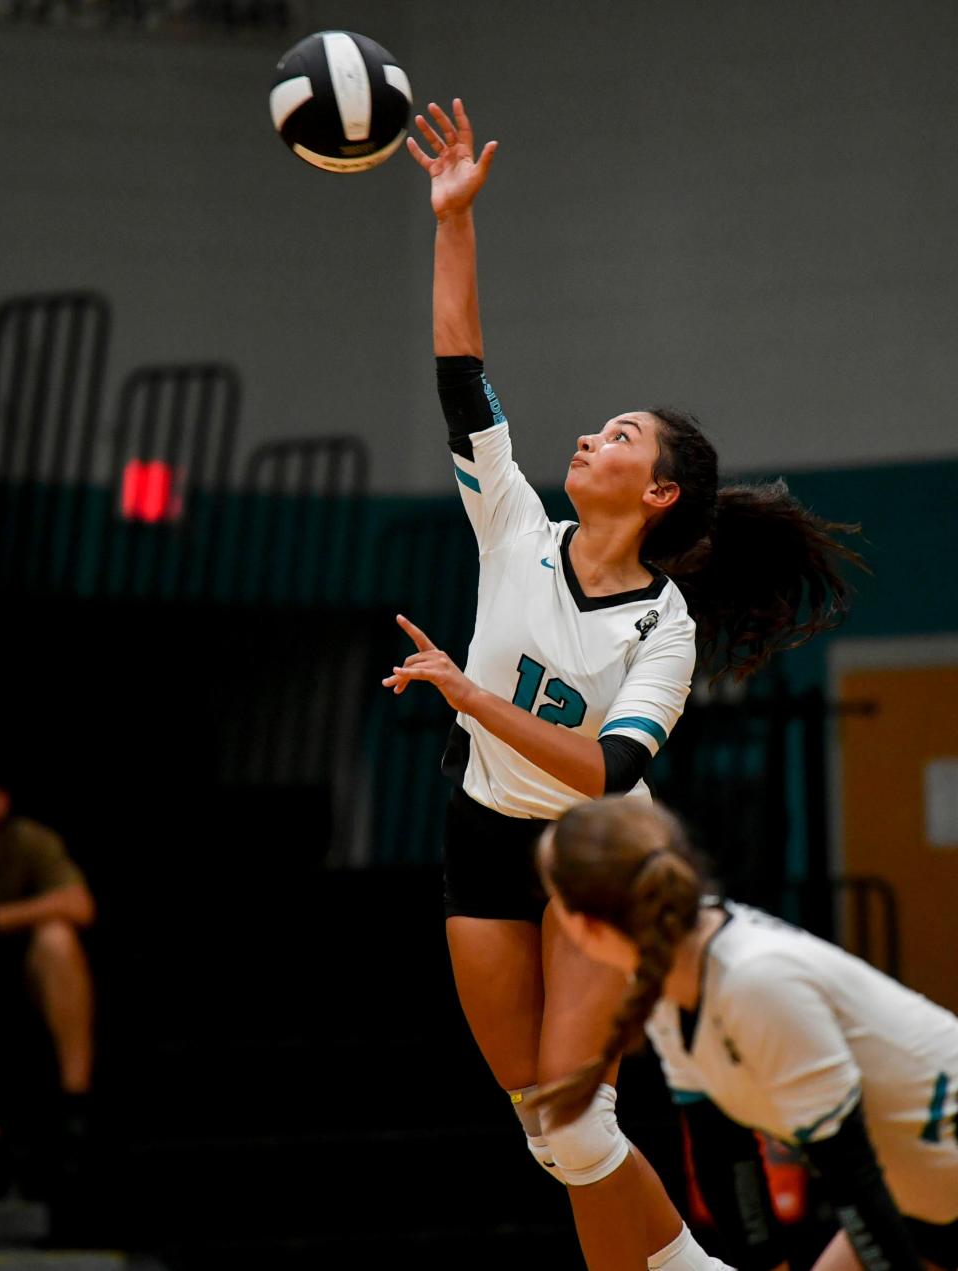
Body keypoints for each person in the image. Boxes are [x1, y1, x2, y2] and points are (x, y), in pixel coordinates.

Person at [385, 97, 862, 1269]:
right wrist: (454, 221)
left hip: (607, 854)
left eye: (620, 434)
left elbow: (610, 766)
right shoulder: (513, 528)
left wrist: (468, 694)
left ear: (657, 493)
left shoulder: (665, 626)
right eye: (598, 427)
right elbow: (462, 376)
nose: (591, 437)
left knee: (583, 1115)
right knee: (551, 1134)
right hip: (488, 835)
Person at [535, 796, 958, 1270]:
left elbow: (849, 1173)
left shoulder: (753, 981)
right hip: (916, 1197)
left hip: (922, 1189)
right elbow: (724, 1156)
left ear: (583, 926)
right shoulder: (668, 982)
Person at [0, 780, 96, 1194]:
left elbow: (79, 905)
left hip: (17, 970)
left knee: (57, 939)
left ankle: (76, 1107)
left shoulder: (25, 841)